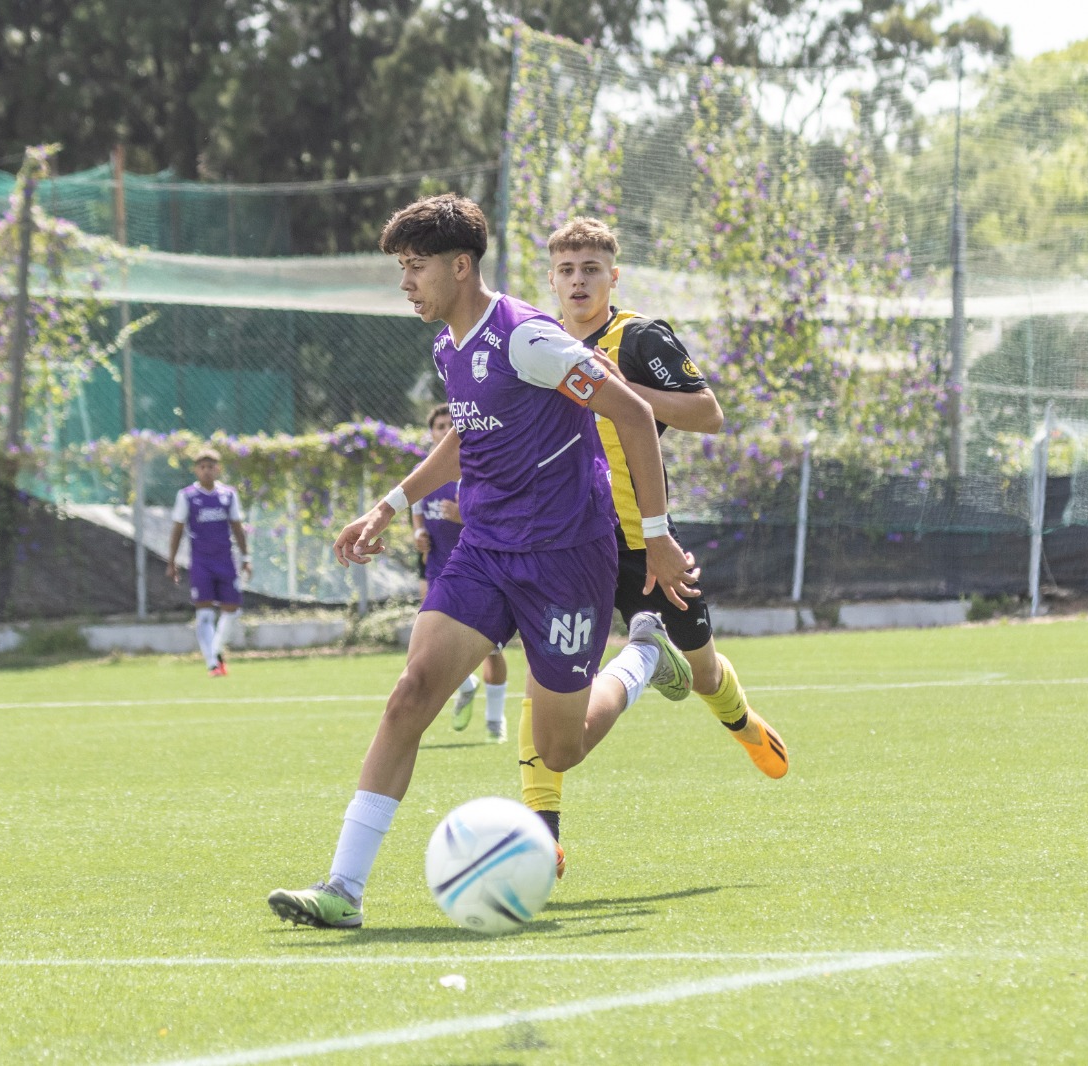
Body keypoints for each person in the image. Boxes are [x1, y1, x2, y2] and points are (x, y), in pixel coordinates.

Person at [267, 193, 697, 929]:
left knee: (558, 749)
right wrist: (390, 505)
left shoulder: (530, 338)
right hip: (487, 550)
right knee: (411, 692)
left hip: (567, 557)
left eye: (416, 267)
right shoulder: (447, 346)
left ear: (460, 267)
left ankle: (641, 660)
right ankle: (344, 888)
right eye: (401, 267)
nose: (406, 282)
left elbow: (629, 411)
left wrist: (655, 534)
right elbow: (468, 435)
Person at [517, 216, 789, 853]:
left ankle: (744, 723)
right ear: (552, 280)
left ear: (613, 277)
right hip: (566, 539)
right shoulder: (537, 341)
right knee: (546, 675)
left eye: (591, 270)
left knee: (700, 674)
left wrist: (615, 391)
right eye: (566, 270)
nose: (578, 280)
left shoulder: (639, 337)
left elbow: (708, 413)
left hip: (646, 539)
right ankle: (541, 831)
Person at [409, 403, 508, 742]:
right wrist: (419, 536)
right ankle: (466, 684)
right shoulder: (422, 473)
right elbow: (418, 522)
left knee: (492, 649)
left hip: (483, 568)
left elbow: (499, 518)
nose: (445, 430)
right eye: (439, 425)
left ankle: (495, 721)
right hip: (440, 569)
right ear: (432, 432)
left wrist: (462, 517)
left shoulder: (480, 469)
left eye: (451, 424)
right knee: (428, 648)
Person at [167, 447, 252, 677]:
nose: (206, 471)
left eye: (211, 466)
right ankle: (213, 664)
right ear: (196, 469)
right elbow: (177, 530)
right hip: (201, 562)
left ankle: (214, 652)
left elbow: (237, 527)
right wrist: (171, 561)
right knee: (204, 612)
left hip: (225, 559)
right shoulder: (187, 496)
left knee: (231, 610)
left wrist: (246, 557)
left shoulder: (228, 495)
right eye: (202, 467)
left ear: (218, 468)